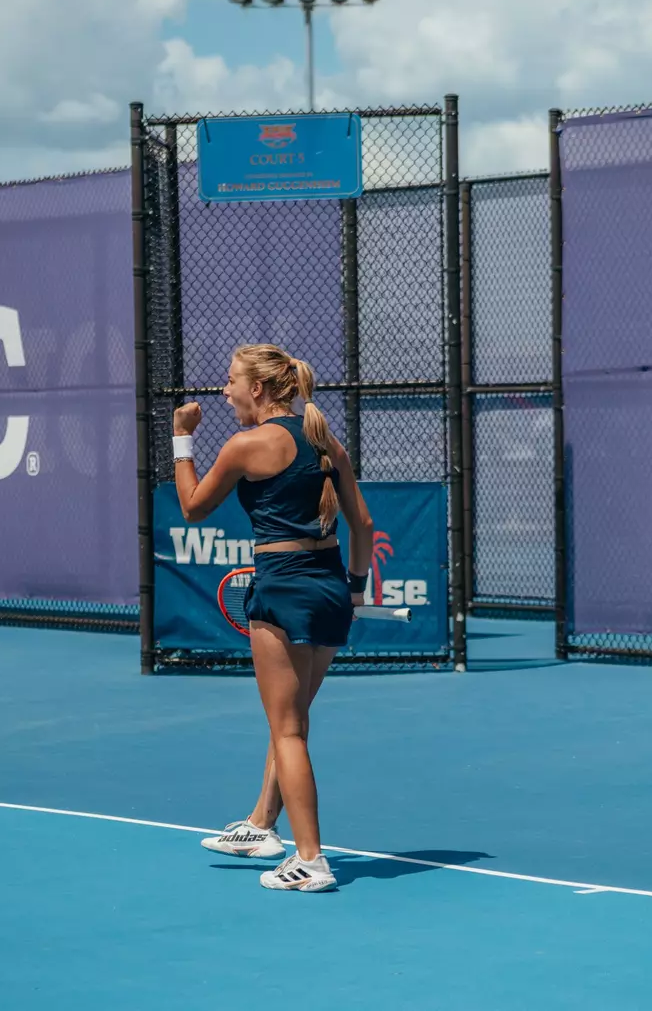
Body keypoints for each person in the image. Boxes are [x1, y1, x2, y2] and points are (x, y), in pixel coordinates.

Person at [171, 344, 373, 893]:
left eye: (231, 380)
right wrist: (353, 590)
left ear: (257, 389)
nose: (224, 389)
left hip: (282, 589)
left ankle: (311, 859)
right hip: (329, 588)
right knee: (291, 718)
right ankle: (262, 826)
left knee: (287, 728)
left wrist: (181, 435)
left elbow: (191, 505)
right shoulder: (326, 441)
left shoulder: (246, 445)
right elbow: (363, 524)